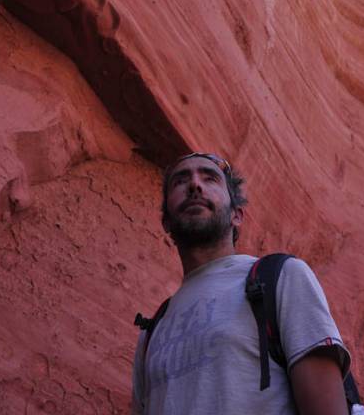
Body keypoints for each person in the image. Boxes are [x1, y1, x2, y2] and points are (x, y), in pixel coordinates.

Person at [131, 152, 351, 415]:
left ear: (237, 215)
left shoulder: (281, 277)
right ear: (166, 222)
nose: (194, 185)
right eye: (180, 181)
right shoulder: (152, 330)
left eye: (210, 178)